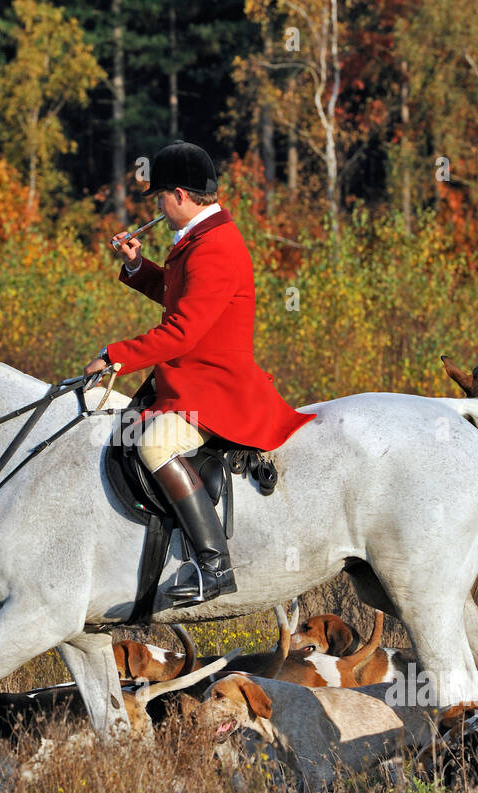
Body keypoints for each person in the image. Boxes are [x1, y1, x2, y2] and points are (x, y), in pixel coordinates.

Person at [84, 141, 314, 606]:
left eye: (161, 199)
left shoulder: (214, 247)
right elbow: (179, 299)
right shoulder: (202, 238)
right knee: (119, 428)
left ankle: (214, 565)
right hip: (193, 380)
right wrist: (135, 266)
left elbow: (182, 332)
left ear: (182, 195)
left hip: (216, 388)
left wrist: (115, 356)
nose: (158, 209)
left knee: (151, 442)